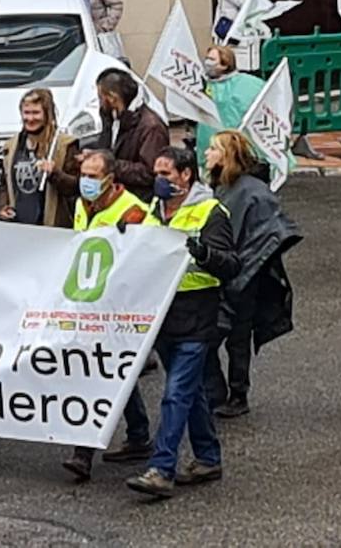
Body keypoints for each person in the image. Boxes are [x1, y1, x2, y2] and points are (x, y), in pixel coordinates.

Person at [125, 149, 239, 499]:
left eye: (165, 172)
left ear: (186, 174)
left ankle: (162, 468)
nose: (158, 178)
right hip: (163, 313)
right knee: (192, 393)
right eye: (156, 171)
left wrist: (203, 253)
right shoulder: (152, 212)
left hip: (197, 314)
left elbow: (231, 265)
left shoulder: (210, 212)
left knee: (175, 393)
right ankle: (207, 458)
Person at [61, 149, 160, 481]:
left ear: (110, 180)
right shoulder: (82, 204)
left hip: (118, 308)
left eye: (92, 176)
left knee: (96, 372)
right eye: (83, 175)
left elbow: (150, 256)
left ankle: (83, 452)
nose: (85, 182)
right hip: (87, 303)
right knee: (108, 369)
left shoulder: (133, 212)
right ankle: (138, 434)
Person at [201, 131, 301, 418]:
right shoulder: (224, 186)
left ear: (226, 156)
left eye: (212, 149)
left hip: (244, 276)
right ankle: (222, 392)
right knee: (221, 336)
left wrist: (243, 271)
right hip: (227, 271)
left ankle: (236, 392)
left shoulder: (252, 192)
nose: (206, 154)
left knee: (235, 337)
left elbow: (265, 236)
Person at [0, 88, 78, 228]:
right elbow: (5, 186)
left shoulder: (65, 145)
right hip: (20, 228)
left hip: (52, 229)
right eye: (26, 113)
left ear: (47, 115)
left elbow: (76, 188)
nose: (30, 119)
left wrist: (55, 174)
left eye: (36, 113)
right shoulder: (11, 147)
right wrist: (3, 208)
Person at [96, 68, 168, 202]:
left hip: (138, 201)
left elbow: (149, 173)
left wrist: (108, 165)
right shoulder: (112, 118)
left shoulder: (151, 127)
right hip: (117, 196)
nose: (99, 102)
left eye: (101, 97)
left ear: (112, 98)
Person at [192, 46, 266, 173]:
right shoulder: (202, 85)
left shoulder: (248, 84)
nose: (207, 62)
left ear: (225, 65)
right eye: (207, 58)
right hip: (212, 148)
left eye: (212, 59)